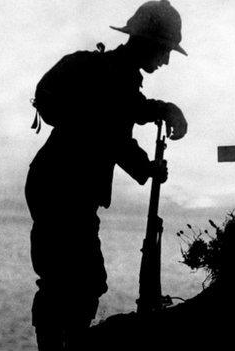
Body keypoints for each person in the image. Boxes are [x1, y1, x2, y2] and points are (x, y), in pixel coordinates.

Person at [25, 1, 188, 349]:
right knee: (74, 283)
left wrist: (163, 110)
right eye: (165, 50)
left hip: (56, 184)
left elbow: (128, 109)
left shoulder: (116, 75)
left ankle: (64, 343)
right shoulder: (114, 78)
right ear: (148, 43)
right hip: (62, 189)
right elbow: (113, 135)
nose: (167, 60)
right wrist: (148, 168)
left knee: (72, 281)